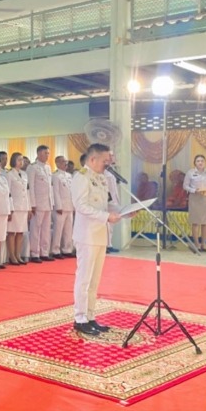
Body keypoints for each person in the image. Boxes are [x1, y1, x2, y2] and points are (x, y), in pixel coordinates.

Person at [72, 143, 128, 336]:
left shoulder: (102, 178)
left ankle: (90, 316)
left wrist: (124, 212)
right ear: (93, 159)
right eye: (105, 160)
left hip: (100, 235)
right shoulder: (81, 177)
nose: (107, 164)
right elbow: (81, 206)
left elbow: (107, 205)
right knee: (84, 279)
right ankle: (80, 318)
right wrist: (106, 217)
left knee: (94, 280)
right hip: (86, 235)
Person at [27, 145, 55, 262]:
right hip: (38, 203)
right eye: (45, 153)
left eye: (48, 153)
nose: (47, 155)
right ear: (38, 154)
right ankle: (35, 253)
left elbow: (50, 187)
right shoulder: (32, 167)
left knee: (46, 229)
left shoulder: (48, 167)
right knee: (35, 229)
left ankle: (44, 252)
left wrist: (52, 202)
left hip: (47, 203)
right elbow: (31, 187)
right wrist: (32, 204)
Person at [183, 155, 206, 253]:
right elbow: (185, 186)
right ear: (195, 163)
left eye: (202, 161)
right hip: (195, 199)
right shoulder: (190, 173)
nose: (200, 162)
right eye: (198, 161)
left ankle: (204, 244)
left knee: (205, 223)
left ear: (205, 162)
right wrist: (194, 190)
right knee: (195, 222)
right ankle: (196, 244)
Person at [6, 152, 30, 266]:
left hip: (23, 206)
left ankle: (18, 254)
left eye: (22, 160)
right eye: (19, 160)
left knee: (20, 232)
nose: (21, 162)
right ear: (14, 161)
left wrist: (29, 208)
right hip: (14, 207)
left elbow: (27, 192)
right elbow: (8, 193)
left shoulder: (24, 174)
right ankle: (12, 255)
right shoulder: (9, 174)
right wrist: (9, 208)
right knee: (12, 232)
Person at [51, 156, 75, 259]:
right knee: (58, 230)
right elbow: (55, 192)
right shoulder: (55, 176)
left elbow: (72, 192)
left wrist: (74, 206)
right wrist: (58, 206)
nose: (66, 164)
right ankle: (55, 250)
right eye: (63, 162)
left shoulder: (69, 175)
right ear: (57, 163)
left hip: (69, 206)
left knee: (68, 230)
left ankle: (67, 249)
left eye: (66, 161)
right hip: (60, 207)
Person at [104, 151, 120, 254]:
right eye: (111, 156)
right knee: (107, 226)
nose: (112, 157)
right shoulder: (103, 171)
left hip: (113, 201)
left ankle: (109, 244)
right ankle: (106, 245)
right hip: (107, 201)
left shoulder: (111, 170)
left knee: (111, 225)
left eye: (113, 155)